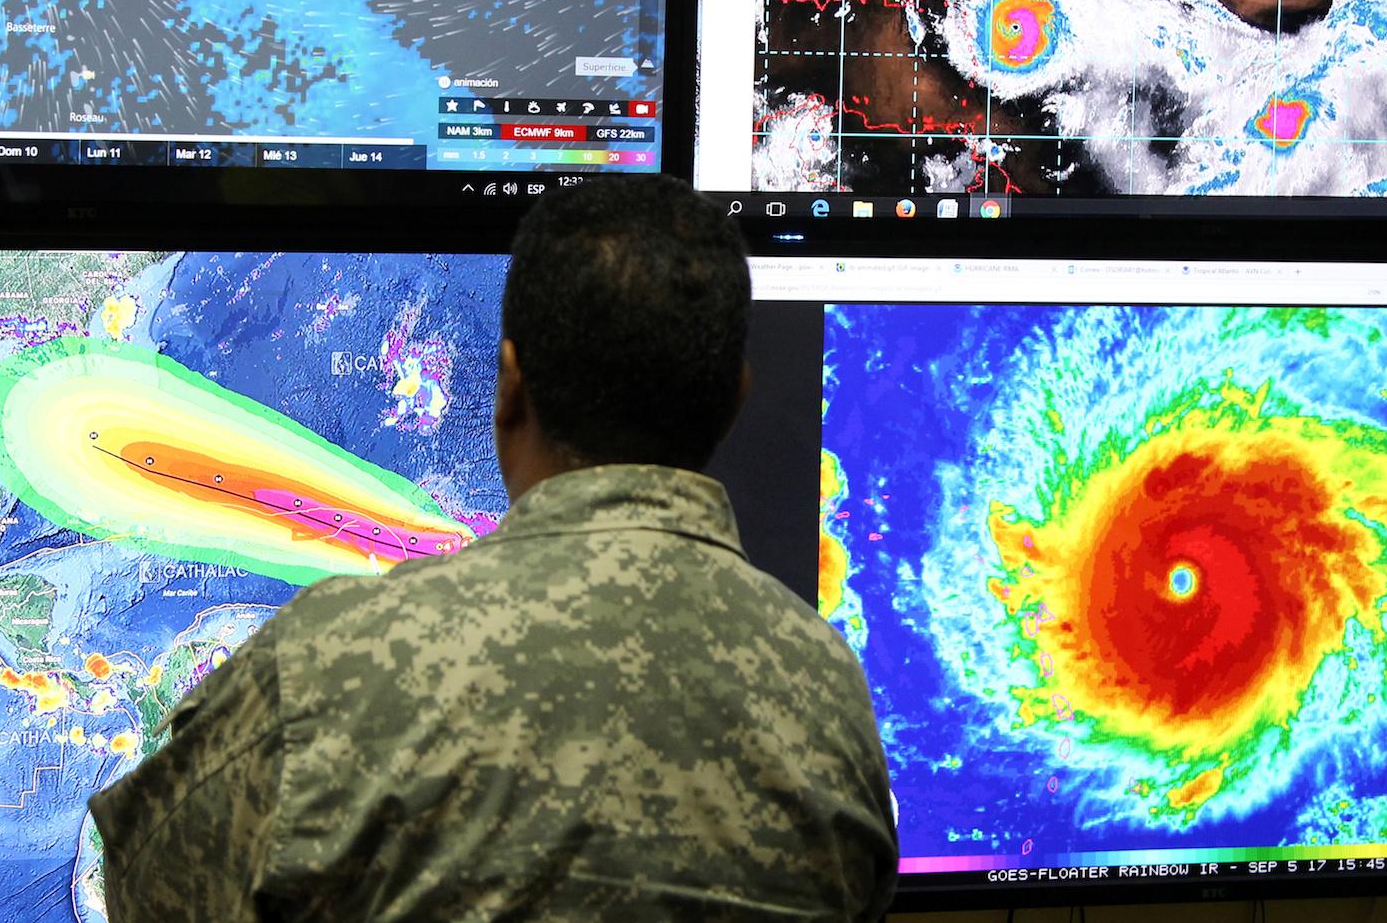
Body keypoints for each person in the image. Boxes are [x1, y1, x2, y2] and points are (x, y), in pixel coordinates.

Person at [88, 174, 899, 920]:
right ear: (733, 401)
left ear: (511, 385)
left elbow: (150, 895)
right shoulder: (828, 696)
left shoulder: (326, 668)